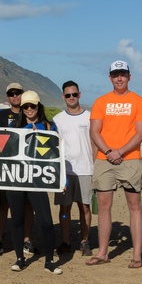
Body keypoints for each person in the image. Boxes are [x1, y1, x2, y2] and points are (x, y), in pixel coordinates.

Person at [88, 61, 142, 267]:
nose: (119, 78)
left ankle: (137, 254)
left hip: (130, 159)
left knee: (134, 206)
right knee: (104, 206)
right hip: (105, 159)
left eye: (123, 74)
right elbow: (94, 131)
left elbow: (141, 134)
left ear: (129, 76)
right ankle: (103, 252)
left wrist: (120, 151)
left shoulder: (139, 101)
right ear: (110, 78)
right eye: (115, 75)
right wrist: (108, 151)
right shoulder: (100, 102)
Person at [5, 91, 62, 275]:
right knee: (17, 220)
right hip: (17, 179)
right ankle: (20, 258)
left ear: (39, 106)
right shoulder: (14, 126)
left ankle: (49, 260)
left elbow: (58, 154)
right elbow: (6, 152)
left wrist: (62, 179)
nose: (29, 109)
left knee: (46, 221)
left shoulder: (49, 125)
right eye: (26, 106)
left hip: (38, 180)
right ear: (21, 108)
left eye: (33, 106)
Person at [52, 80, 93, 257]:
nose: (71, 97)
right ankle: (66, 241)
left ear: (79, 95)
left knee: (84, 207)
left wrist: (96, 164)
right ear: (63, 97)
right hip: (65, 171)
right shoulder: (58, 119)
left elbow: (95, 142)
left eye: (74, 94)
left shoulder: (90, 117)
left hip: (86, 169)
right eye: (67, 95)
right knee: (64, 208)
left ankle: (85, 240)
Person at [0, 82, 27, 258]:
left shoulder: (29, 114)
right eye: (11, 93)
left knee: (27, 205)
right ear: (7, 97)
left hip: (26, 167)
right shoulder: (1, 116)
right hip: (6, 168)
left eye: (18, 93)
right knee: (3, 204)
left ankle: (26, 240)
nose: (15, 96)